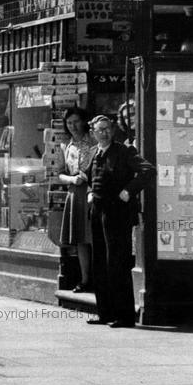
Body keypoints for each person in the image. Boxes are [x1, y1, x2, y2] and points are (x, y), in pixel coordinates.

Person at [86, 114, 156, 327]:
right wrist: (90, 192)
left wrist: (129, 191)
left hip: (117, 212)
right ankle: (105, 312)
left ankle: (123, 316)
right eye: (100, 130)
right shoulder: (93, 152)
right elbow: (90, 176)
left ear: (113, 130)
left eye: (108, 128)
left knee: (116, 261)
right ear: (93, 133)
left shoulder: (124, 151)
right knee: (99, 261)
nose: (105, 133)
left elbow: (148, 170)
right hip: (98, 210)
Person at [57, 106, 96, 293]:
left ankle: (100, 278)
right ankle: (85, 278)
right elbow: (59, 174)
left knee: (95, 237)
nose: (73, 126)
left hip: (92, 191)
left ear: (84, 121)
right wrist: (72, 179)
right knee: (81, 239)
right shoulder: (66, 145)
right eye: (69, 122)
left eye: (76, 121)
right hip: (75, 193)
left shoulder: (94, 141)